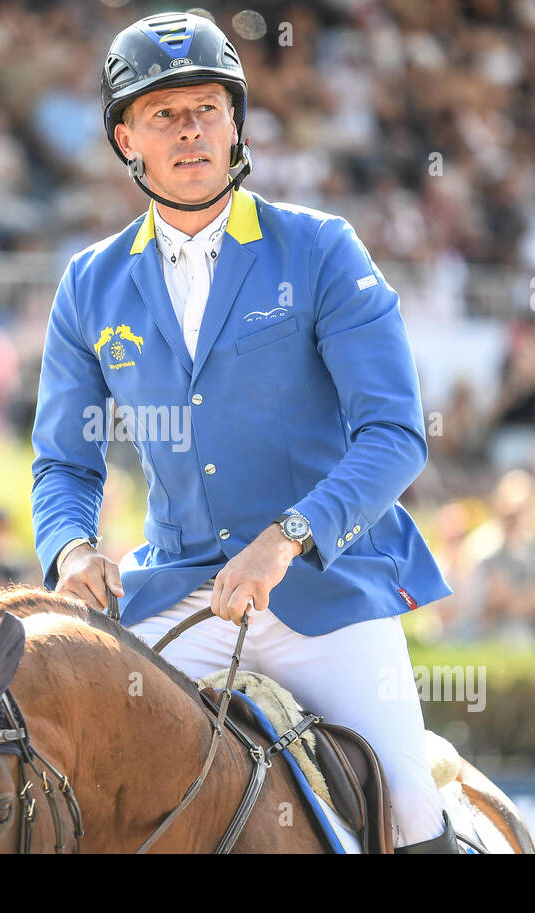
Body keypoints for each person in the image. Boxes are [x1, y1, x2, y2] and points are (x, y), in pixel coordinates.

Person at [30, 13, 457, 853]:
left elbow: (395, 434)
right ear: (127, 138)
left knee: (411, 811)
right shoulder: (89, 285)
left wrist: (288, 538)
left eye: (207, 108)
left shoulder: (322, 249)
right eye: (164, 114)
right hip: (180, 596)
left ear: (236, 124)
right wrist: (71, 549)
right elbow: (63, 460)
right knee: (70, 788)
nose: (190, 129)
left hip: (327, 591)